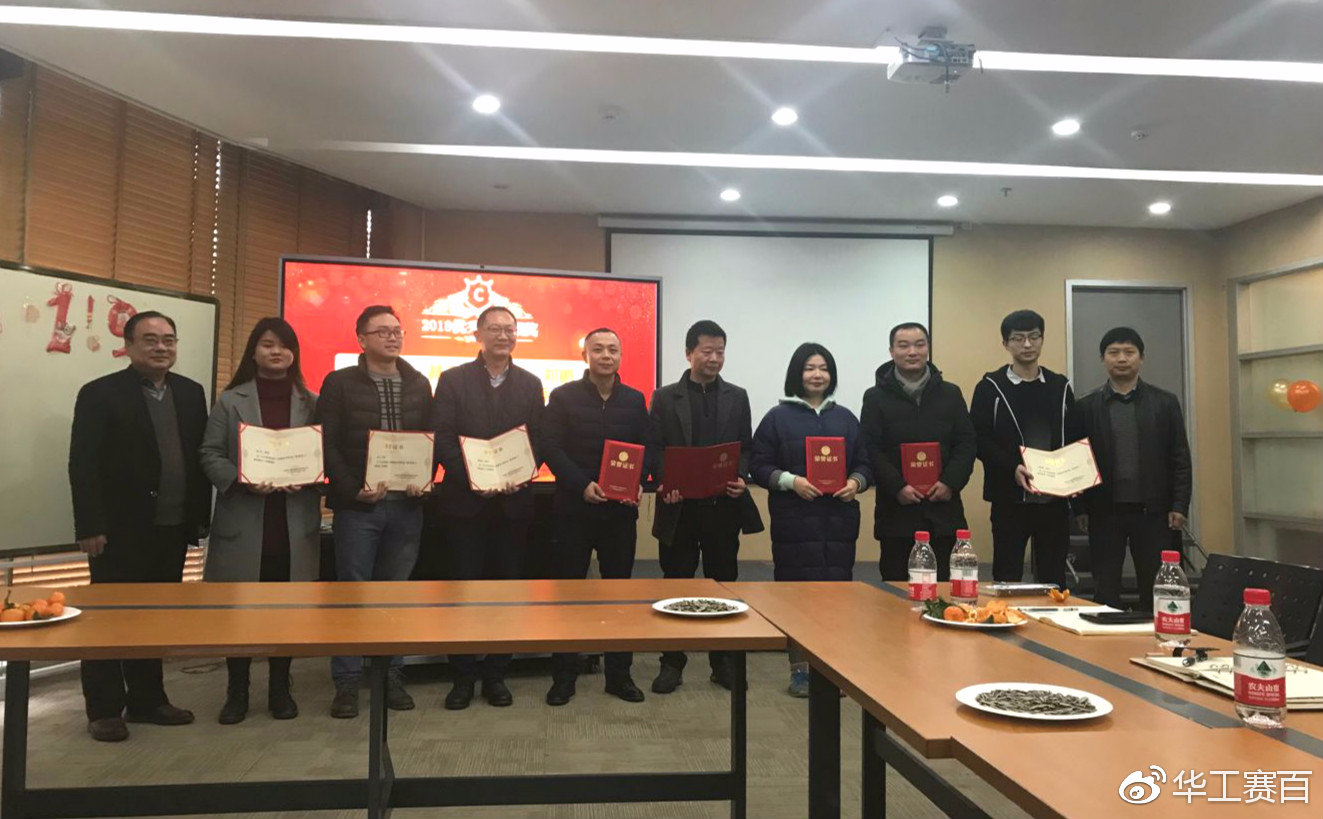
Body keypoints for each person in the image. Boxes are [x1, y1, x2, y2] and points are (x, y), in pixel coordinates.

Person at [69, 310, 211, 742]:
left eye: (169, 339)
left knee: (154, 619)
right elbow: (82, 464)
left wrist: (198, 519)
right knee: (108, 620)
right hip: (118, 530)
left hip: (171, 527)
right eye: (150, 339)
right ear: (128, 346)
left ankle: (148, 700)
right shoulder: (100, 393)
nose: (161, 347)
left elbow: (196, 458)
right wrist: (90, 524)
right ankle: (104, 709)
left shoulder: (190, 392)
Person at [199, 317, 320, 724]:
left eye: (284, 346)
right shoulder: (229, 400)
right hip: (245, 521)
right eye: (268, 344)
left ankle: (280, 689)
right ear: (253, 351)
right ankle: (237, 691)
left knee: (286, 612)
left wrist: (309, 476)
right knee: (239, 613)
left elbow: (323, 455)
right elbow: (209, 453)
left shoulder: (312, 401)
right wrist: (242, 480)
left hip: (293, 524)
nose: (276, 352)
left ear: (294, 354)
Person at [316, 305, 433, 718]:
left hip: (407, 507)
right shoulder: (340, 382)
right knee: (353, 594)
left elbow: (430, 439)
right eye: (382, 331)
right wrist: (352, 489)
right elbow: (326, 442)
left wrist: (424, 478)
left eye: (397, 330)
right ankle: (347, 682)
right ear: (361, 338)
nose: (392, 337)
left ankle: (391, 676)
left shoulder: (419, 383)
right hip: (358, 509)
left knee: (395, 596)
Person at [432, 305, 545, 710]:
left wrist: (524, 472)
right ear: (478, 334)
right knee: (463, 592)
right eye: (495, 328)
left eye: (510, 329)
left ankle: (496, 674)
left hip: (513, 504)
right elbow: (442, 437)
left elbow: (538, 439)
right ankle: (462, 676)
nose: (503, 335)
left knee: (506, 593)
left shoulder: (531, 383)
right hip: (466, 504)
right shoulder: (453, 379)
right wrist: (474, 479)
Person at [646, 319, 763, 694]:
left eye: (720, 352)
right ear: (689, 353)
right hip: (679, 509)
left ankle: (722, 661)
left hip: (721, 508)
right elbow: (655, 447)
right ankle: (672, 662)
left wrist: (741, 475)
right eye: (707, 351)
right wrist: (664, 481)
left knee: (723, 584)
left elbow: (745, 446)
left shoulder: (737, 396)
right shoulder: (665, 397)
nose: (714, 358)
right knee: (676, 583)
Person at [750, 342, 872, 697]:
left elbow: (865, 463)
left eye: (823, 368)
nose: (817, 375)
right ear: (797, 374)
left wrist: (855, 483)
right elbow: (759, 465)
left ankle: (833, 669)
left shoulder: (846, 418)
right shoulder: (777, 418)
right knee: (796, 599)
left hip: (838, 523)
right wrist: (792, 482)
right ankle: (800, 671)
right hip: (795, 521)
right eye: (809, 368)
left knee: (837, 598)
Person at [541, 328, 649, 706]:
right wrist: (581, 484)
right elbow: (550, 447)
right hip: (574, 510)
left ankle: (620, 675)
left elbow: (646, 447)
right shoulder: (563, 396)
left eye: (613, 350)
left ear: (621, 355)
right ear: (584, 355)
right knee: (569, 595)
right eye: (598, 349)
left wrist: (641, 481)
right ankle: (564, 677)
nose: (606, 355)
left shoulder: (634, 400)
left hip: (619, 514)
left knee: (619, 594)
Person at [1069, 327, 1191, 610]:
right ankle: (1105, 636)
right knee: (1105, 588)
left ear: (1141, 357)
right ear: (1103, 358)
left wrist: (1180, 504)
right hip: (1104, 511)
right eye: (1113, 352)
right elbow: (1077, 459)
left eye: (1129, 352)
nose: (1121, 359)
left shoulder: (1165, 403)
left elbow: (1180, 457)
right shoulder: (1085, 406)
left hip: (1154, 512)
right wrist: (1080, 508)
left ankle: (1153, 633)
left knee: (1155, 586)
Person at [861, 322, 976, 582]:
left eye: (919, 344)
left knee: (945, 589)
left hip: (944, 512)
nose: (912, 352)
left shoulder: (950, 394)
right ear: (892, 351)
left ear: (928, 349)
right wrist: (897, 486)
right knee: (895, 593)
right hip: (896, 514)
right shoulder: (875, 397)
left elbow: (966, 443)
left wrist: (949, 482)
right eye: (903, 346)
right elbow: (870, 448)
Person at [970, 310, 1076, 586]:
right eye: (1018, 338)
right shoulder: (990, 387)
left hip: (1054, 501)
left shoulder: (1060, 386)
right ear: (1005, 344)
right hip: (1009, 499)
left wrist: (1076, 477)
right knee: (1007, 577)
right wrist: (1011, 467)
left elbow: (1075, 438)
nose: (1027, 344)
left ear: (1042, 340)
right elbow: (979, 439)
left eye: (1033, 337)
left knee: (1053, 579)